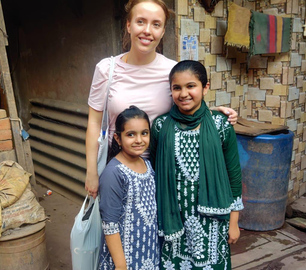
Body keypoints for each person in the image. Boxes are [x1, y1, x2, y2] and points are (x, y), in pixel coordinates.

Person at [86, 0, 238, 199]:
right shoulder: (106, 69)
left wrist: (214, 112)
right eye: (141, 22)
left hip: (164, 169)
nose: (147, 30)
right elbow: (94, 123)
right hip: (117, 168)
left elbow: (186, 107)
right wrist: (91, 172)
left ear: (163, 31)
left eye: (156, 24)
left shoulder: (172, 71)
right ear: (129, 25)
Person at [150, 60, 243, 270]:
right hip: (173, 223)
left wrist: (234, 222)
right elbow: (157, 172)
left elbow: (234, 176)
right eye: (176, 88)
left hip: (212, 226)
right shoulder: (160, 126)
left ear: (205, 87)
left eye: (191, 86)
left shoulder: (221, 125)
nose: (184, 93)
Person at [99, 106, 162, 270]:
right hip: (124, 262)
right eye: (130, 134)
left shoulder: (147, 165)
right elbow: (110, 225)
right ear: (117, 138)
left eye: (144, 133)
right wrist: (120, 266)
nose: (139, 140)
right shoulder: (113, 173)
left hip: (147, 260)